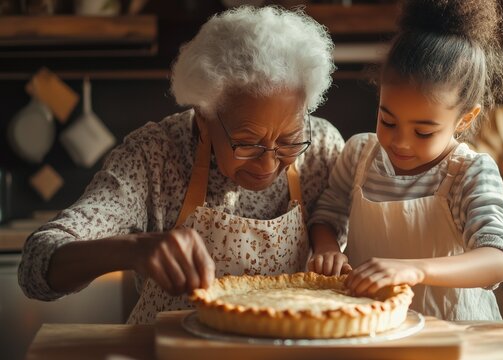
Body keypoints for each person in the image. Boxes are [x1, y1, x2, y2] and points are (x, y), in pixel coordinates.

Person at [18, 5, 344, 324]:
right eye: (247, 143)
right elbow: (35, 266)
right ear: (204, 118)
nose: (270, 162)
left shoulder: (323, 149)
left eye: (289, 140)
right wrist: (132, 250)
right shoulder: (154, 157)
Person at [307, 0, 503, 320]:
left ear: (464, 119)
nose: (400, 142)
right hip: (372, 325)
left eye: (423, 132)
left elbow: (497, 260)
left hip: (455, 332)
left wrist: (415, 270)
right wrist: (327, 249)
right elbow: (328, 215)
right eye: (388, 121)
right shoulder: (359, 155)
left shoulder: (468, 172)